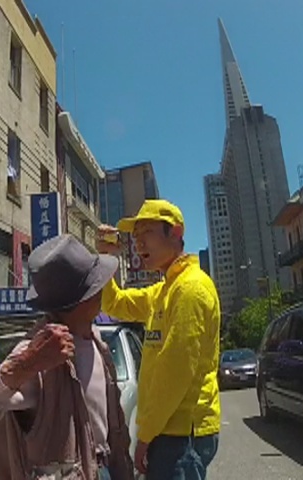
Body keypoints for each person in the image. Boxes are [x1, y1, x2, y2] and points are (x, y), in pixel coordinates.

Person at [0, 234, 135, 480]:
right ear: (83, 297)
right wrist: (25, 365)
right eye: (96, 284)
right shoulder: (38, 353)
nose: (102, 289)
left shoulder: (96, 341)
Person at [96, 199, 221, 480]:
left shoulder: (190, 289)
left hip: (181, 432)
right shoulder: (164, 291)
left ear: (175, 232)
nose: (139, 243)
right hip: (169, 431)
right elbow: (115, 304)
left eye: (147, 233)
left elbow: (176, 371)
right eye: (136, 236)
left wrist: (146, 435)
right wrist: (106, 258)